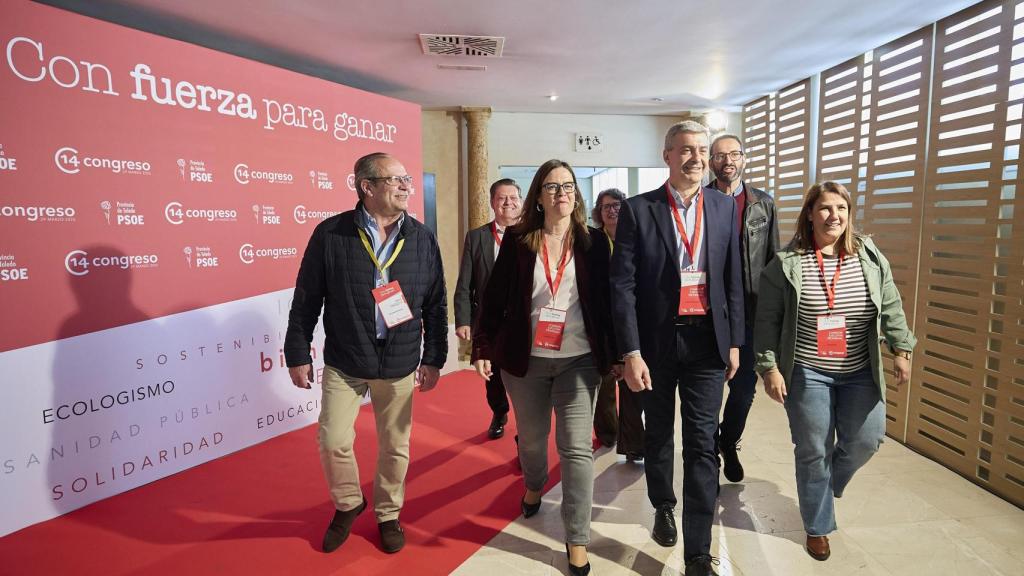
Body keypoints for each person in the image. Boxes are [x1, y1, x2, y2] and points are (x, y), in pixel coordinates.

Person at [284, 152, 448, 555]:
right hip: (346, 359)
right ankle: (348, 502)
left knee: (396, 445)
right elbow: (307, 298)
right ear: (367, 187)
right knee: (332, 440)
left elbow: (436, 303)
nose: (406, 186)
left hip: (399, 360)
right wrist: (296, 351)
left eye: (406, 179)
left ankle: (388, 514)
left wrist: (434, 357)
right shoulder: (331, 234)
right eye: (395, 180)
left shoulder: (422, 237)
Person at [754, 181, 915, 562]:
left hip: (861, 368)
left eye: (841, 208)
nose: (834, 216)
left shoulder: (869, 256)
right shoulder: (787, 263)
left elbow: (890, 302)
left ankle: (827, 487)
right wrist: (769, 367)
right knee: (812, 450)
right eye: (825, 208)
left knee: (868, 439)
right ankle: (818, 526)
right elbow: (766, 321)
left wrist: (901, 348)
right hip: (808, 370)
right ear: (810, 214)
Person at [610, 120, 744, 576]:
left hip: (708, 344)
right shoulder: (638, 209)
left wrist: (735, 342)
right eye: (686, 149)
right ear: (666, 155)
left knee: (703, 444)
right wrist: (630, 351)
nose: (696, 158)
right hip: (655, 345)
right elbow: (622, 287)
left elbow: (733, 281)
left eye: (702, 150)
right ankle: (663, 504)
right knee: (660, 434)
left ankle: (699, 552)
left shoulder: (725, 208)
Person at [472, 159, 616, 576]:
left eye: (568, 186)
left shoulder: (591, 243)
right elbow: (494, 298)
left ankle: (577, 538)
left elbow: (608, 306)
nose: (561, 194)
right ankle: (534, 485)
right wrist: (482, 345)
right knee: (534, 441)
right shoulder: (519, 241)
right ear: (538, 195)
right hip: (525, 362)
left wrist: (621, 354)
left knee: (575, 449)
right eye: (552, 187)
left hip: (579, 361)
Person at [708, 134, 780, 482]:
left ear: (744, 159)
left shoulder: (763, 204)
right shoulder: (700, 201)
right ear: (711, 162)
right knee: (707, 389)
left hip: (750, 313)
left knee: (743, 391)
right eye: (721, 156)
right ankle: (707, 455)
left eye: (735, 154)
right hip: (707, 311)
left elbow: (773, 261)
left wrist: (774, 315)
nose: (728, 161)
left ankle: (728, 440)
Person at [454, 178, 522, 439]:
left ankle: (525, 426)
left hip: (521, 321)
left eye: (513, 197)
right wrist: (463, 319)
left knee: (522, 376)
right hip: (488, 322)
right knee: (492, 377)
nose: (508, 203)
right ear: (493, 202)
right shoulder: (477, 237)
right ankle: (499, 412)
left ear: (521, 201)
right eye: (502, 198)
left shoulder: (531, 234)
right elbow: (464, 283)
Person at [590, 188, 645, 461]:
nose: (612, 210)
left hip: (631, 320)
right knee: (605, 384)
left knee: (633, 387)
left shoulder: (636, 237)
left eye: (617, 205)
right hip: (601, 322)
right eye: (606, 207)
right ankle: (608, 433)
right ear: (598, 213)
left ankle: (633, 444)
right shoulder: (592, 242)